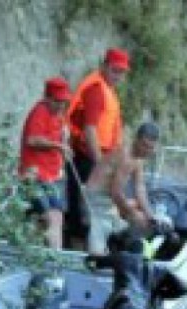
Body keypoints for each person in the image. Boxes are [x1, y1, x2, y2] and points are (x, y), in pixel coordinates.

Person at [65, 48, 131, 242]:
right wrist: (101, 163)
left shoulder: (105, 88)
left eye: (122, 71)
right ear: (104, 66)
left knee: (86, 200)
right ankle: (79, 242)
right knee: (86, 201)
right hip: (88, 155)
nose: (118, 75)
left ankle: (85, 237)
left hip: (93, 155)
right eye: (115, 70)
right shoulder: (96, 91)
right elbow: (90, 129)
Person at [84, 122, 160, 256]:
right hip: (95, 199)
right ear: (136, 139)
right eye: (144, 145)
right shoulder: (125, 156)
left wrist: (150, 215)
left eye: (150, 148)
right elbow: (116, 193)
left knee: (138, 219)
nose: (146, 151)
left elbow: (140, 188)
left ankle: (123, 252)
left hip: (108, 199)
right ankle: (97, 256)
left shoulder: (138, 158)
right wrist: (132, 213)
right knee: (109, 227)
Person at [19, 77, 73, 249]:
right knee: (49, 218)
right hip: (35, 175)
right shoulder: (40, 111)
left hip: (52, 176)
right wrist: (58, 145)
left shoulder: (59, 114)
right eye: (57, 101)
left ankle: (53, 258)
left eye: (64, 102)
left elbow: (62, 133)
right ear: (46, 98)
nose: (60, 106)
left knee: (57, 218)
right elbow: (32, 140)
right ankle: (53, 259)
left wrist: (65, 136)